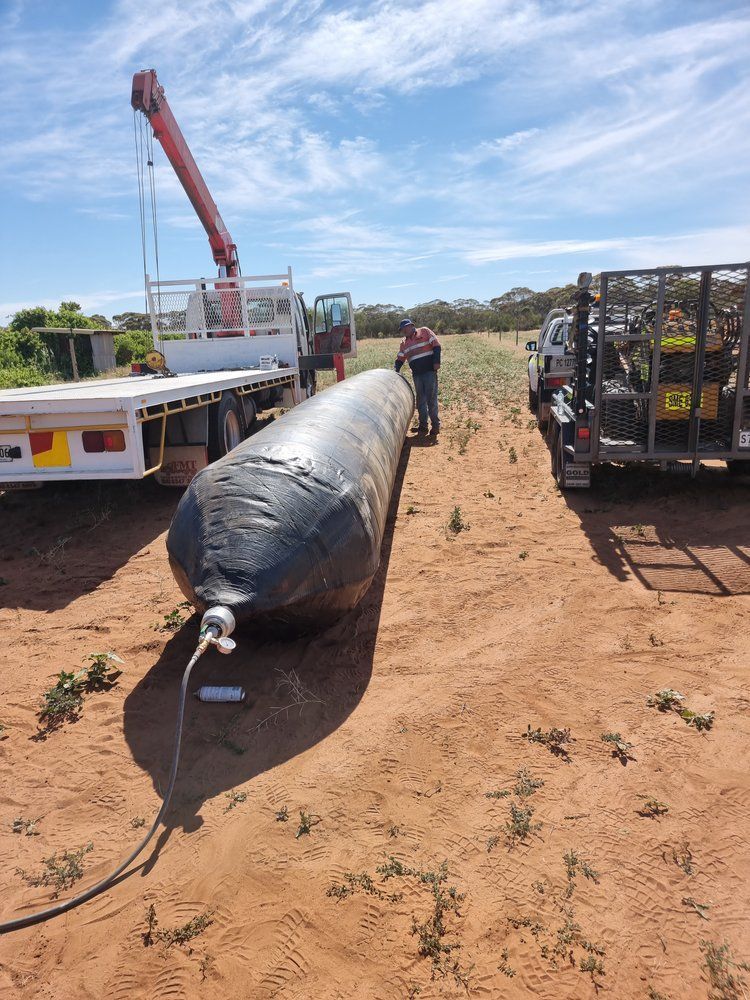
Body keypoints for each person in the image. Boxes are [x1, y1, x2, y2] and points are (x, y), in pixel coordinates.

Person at [394, 319, 441, 435]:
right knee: (420, 400)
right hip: (417, 374)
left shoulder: (424, 331)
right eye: (402, 329)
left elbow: (436, 346)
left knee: (431, 399)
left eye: (406, 327)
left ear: (412, 326)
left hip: (429, 371)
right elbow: (400, 358)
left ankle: (435, 426)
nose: (404, 330)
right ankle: (423, 426)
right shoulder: (404, 343)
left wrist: (436, 362)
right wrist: (396, 370)